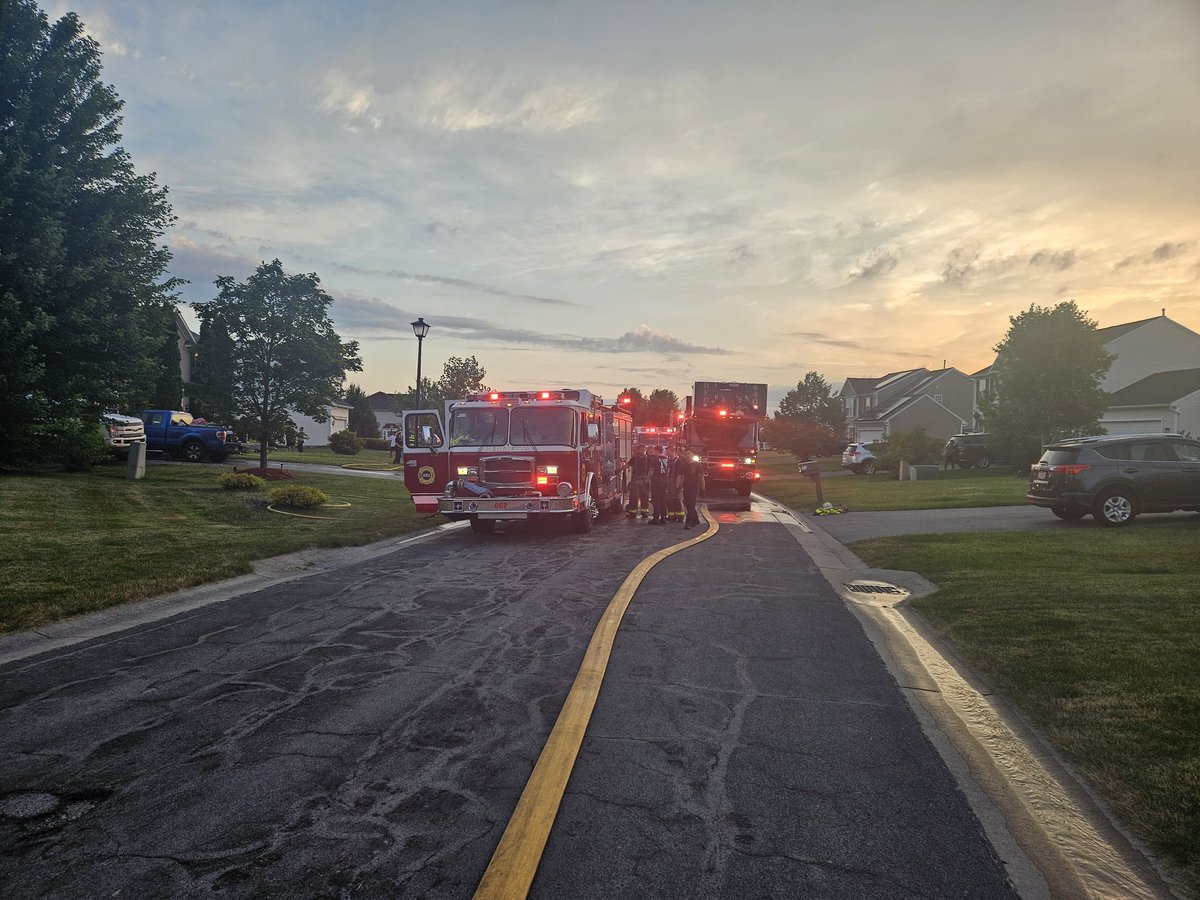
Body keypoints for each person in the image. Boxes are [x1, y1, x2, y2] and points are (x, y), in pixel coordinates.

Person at [681, 453, 706, 529]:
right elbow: (680, 476)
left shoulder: (698, 465)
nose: (687, 455)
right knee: (687, 504)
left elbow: (701, 478)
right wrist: (678, 487)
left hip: (694, 487)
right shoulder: (683, 464)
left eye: (689, 454)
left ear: (692, 455)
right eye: (686, 454)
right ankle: (695, 519)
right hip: (685, 487)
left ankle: (688, 523)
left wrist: (703, 489)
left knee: (691, 504)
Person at [627, 445, 651, 518]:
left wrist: (649, 478)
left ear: (645, 450)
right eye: (641, 450)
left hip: (645, 481)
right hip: (636, 481)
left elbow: (652, 469)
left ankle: (645, 512)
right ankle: (632, 513)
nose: (642, 451)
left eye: (643, 450)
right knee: (633, 497)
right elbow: (627, 465)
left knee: (645, 497)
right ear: (638, 450)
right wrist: (619, 470)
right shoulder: (634, 459)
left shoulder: (648, 458)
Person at [649, 446, 670, 525]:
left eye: (654, 450)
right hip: (664, 482)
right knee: (663, 500)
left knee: (656, 500)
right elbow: (668, 471)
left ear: (657, 451)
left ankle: (656, 518)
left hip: (656, 482)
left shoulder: (655, 459)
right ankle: (663, 518)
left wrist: (648, 479)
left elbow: (651, 470)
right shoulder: (666, 459)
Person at [666, 445, 685, 523]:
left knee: (677, 499)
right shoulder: (669, 461)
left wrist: (679, 485)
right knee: (669, 500)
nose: (667, 453)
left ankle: (680, 516)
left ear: (672, 451)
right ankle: (671, 516)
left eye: (668, 451)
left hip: (676, 483)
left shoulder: (679, 462)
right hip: (669, 483)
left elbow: (681, 475)